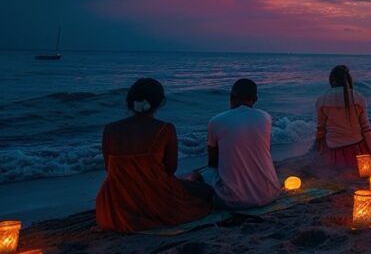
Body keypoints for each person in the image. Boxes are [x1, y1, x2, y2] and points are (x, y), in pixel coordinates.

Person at [95, 78, 211, 232]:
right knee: (206, 192)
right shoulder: (165, 129)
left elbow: (108, 168)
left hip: (115, 201)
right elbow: (169, 170)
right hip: (154, 196)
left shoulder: (109, 129)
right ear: (160, 102)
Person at [203, 79, 279, 209]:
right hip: (270, 194)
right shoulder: (265, 117)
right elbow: (265, 150)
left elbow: (212, 163)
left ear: (232, 97)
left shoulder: (216, 120)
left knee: (199, 176)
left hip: (233, 201)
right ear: (255, 99)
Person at [315, 65, 371, 168]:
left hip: (333, 151)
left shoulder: (322, 100)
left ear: (332, 80)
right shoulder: (358, 97)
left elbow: (321, 130)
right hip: (357, 150)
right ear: (348, 80)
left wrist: (317, 149)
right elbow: (366, 129)